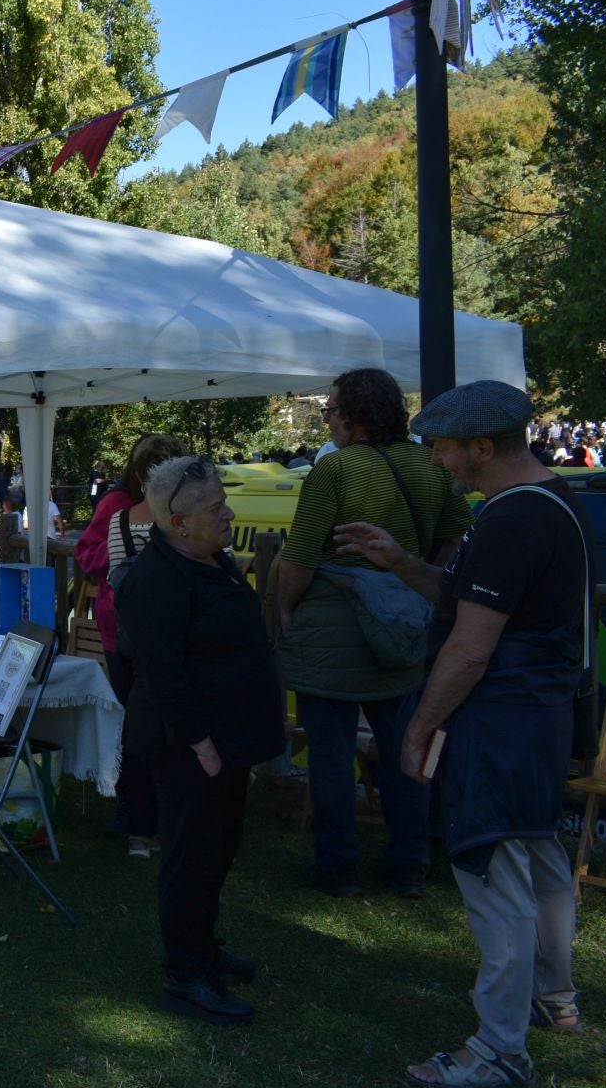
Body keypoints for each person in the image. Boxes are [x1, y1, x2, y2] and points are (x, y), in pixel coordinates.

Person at [335, 381, 591, 1088]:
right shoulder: (548, 502)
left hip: (500, 723)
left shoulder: (512, 520)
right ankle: (555, 1000)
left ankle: (500, 1048)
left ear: (484, 448)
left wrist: (419, 726)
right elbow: (471, 596)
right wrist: (402, 561)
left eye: (445, 448)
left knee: (492, 876)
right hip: (535, 722)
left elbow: (472, 646)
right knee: (538, 861)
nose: (438, 461)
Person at [275, 368, 474, 900]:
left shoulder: (335, 472)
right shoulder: (431, 466)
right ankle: (408, 865)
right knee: (407, 745)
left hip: (332, 629)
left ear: (353, 416)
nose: (328, 420)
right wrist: (421, 580)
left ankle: (337, 868)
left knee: (333, 756)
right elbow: (457, 534)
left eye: (331, 410)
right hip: (407, 625)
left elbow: (298, 555)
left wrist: (286, 609)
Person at [115, 455, 285, 1026]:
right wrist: (202, 745)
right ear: (178, 522)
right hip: (191, 746)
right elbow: (164, 674)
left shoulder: (209, 559)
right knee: (191, 857)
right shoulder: (154, 579)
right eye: (215, 507)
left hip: (226, 741)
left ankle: (203, 949)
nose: (228, 513)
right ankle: (185, 974)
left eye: (223, 501)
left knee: (218, 850)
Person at [77, 434, 188, 858]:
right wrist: (127, 550)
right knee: (133, 720)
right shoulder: (115, 505)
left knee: (164, 720)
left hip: (162, 631)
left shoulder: (179, 508)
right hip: (120, 631)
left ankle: (157, 811)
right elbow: (87, 554)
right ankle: (131, 805)